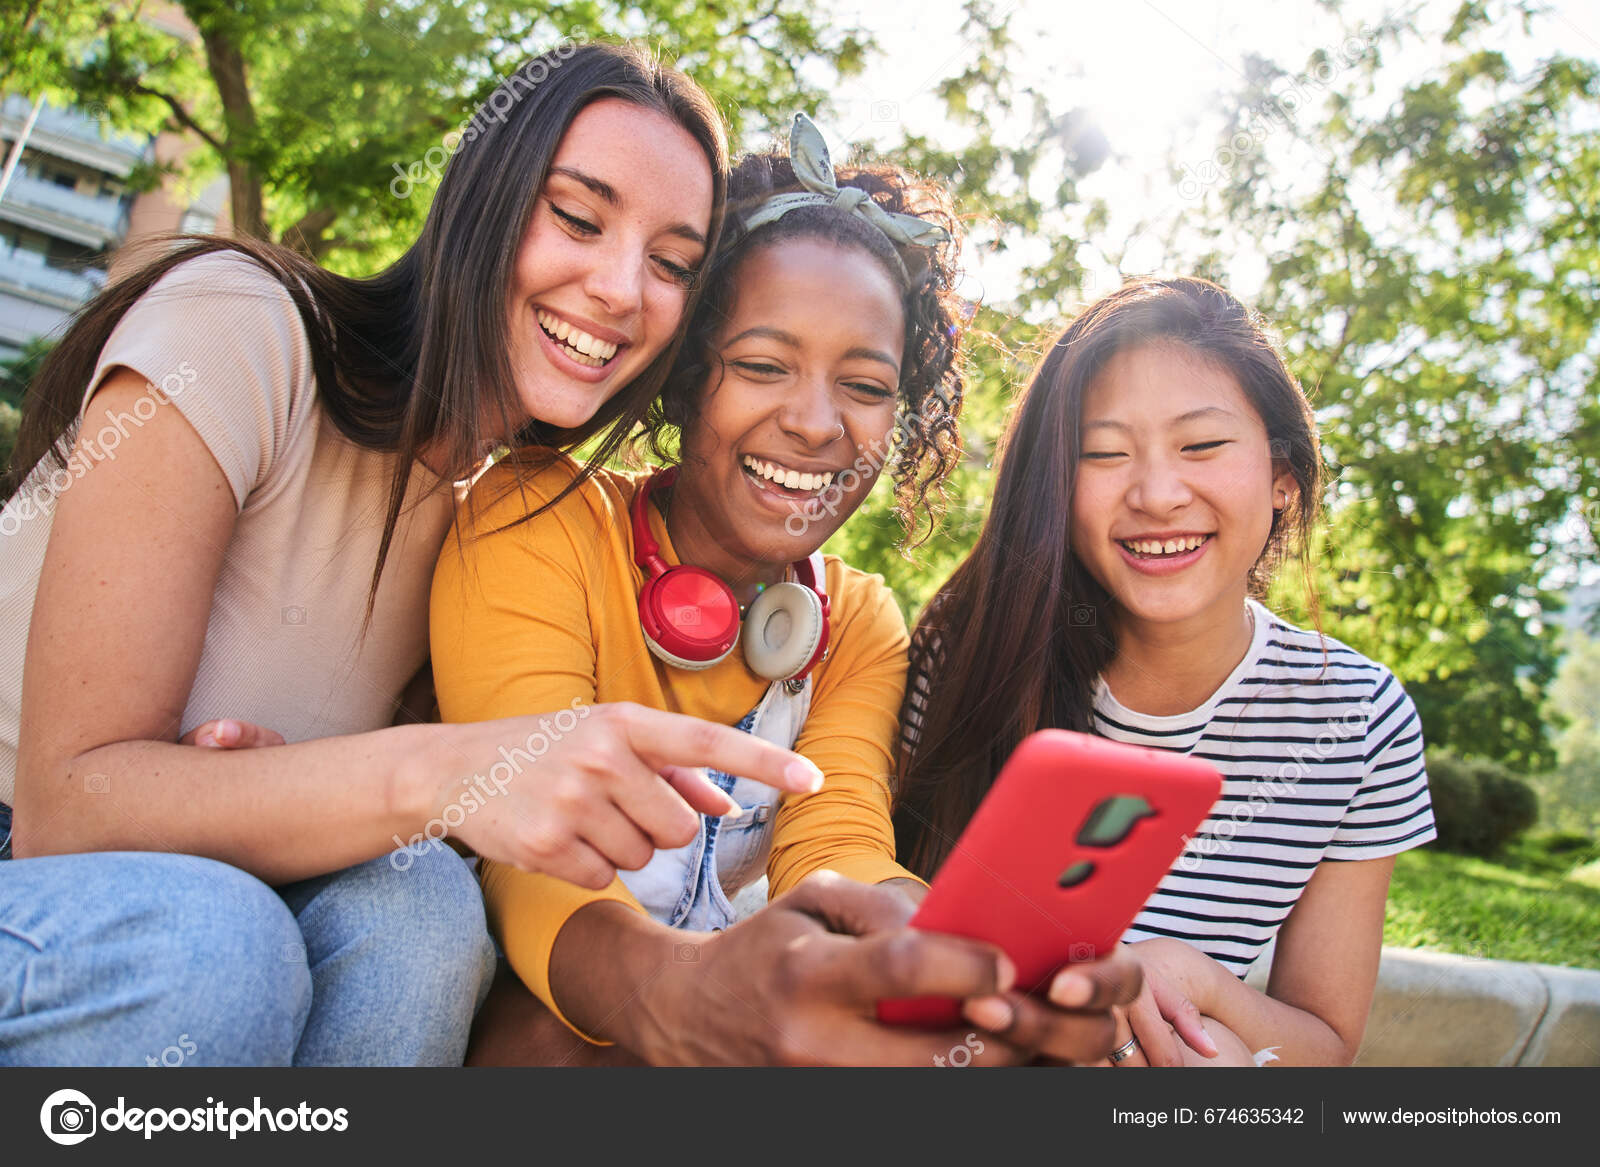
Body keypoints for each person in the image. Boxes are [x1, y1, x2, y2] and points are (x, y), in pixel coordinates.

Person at [0, 41, 816, 1067]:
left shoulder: (505, 518)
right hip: (48, 876)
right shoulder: (242, 321)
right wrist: (447, 771)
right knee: (211, 942)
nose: (619, 289)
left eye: (670, 264)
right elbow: (68, 813)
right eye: (576, 217)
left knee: (423, 909)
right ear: (478, 202)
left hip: (212, 901)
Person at [432, 116, 1143, 1066]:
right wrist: (674, 993)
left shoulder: (856, 620)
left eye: (865, 385)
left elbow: (836, 832)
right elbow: (531, 848)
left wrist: (928, 945)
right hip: (543, 1015)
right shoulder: (536, 516)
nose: (815, 424)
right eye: (764, 366)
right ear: (686, 378)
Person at [895, 276, 1436, 1067]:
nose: (1155, 494)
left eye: (1202, 446)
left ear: (1282, 478)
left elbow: (1324, 1043)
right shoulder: (973, 650)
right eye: (1105, 454)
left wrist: (1191, 982)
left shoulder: (1356, 719)